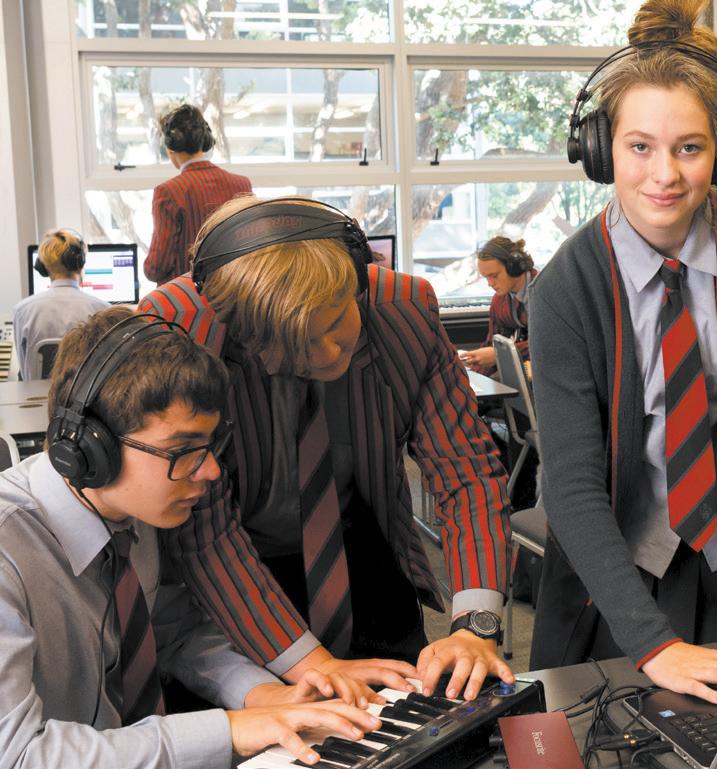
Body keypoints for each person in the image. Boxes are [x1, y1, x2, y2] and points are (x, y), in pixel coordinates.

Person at [529, 0, 717, 707]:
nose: (663, 174)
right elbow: (570, 485)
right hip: (612, 589)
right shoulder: (564, 288)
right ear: (600, 150)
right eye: (639, 146)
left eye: (688, 148)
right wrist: (653, 643)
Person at [139, 195, 514, 703]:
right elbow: (205, 532)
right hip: (234, 568)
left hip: (361, 546)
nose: (329, 353)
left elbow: (466, 473)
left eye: (337, 324)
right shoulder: (180, 330)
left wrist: (475, 625)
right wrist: (314, 665)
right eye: (294, 346)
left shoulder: (404, 309)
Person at [0, 305, 381, 769]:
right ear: (89, 448)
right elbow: (18, 755)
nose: (212, 471)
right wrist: (231, 730)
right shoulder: (8, 551)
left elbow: (168, 629)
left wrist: (260, 695)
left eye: (210, 444)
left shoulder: (130, 513)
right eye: (183, 449)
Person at [143, 104, 252, 285]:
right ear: (205, 141)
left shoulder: (169, 192)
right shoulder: (241, 184)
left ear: (170, 148)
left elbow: (157, 267)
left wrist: (148, 268)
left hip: (185, 296)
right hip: (233, 293)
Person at [13, 228, 108, 380]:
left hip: (37, 394)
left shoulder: (22, 310)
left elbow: (25, 373)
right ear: (80, 262)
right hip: (87, 395)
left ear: (44, 268)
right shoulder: (103, 309)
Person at [459, 237, 536, 378]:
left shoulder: (545, 292)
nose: (490, 283)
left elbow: (552, 342)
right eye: (486, 277)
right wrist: (470, 378)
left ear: (514, 267)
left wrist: (499, 355)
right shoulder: (499, 301)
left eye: (494, 276)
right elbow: (492, 344)